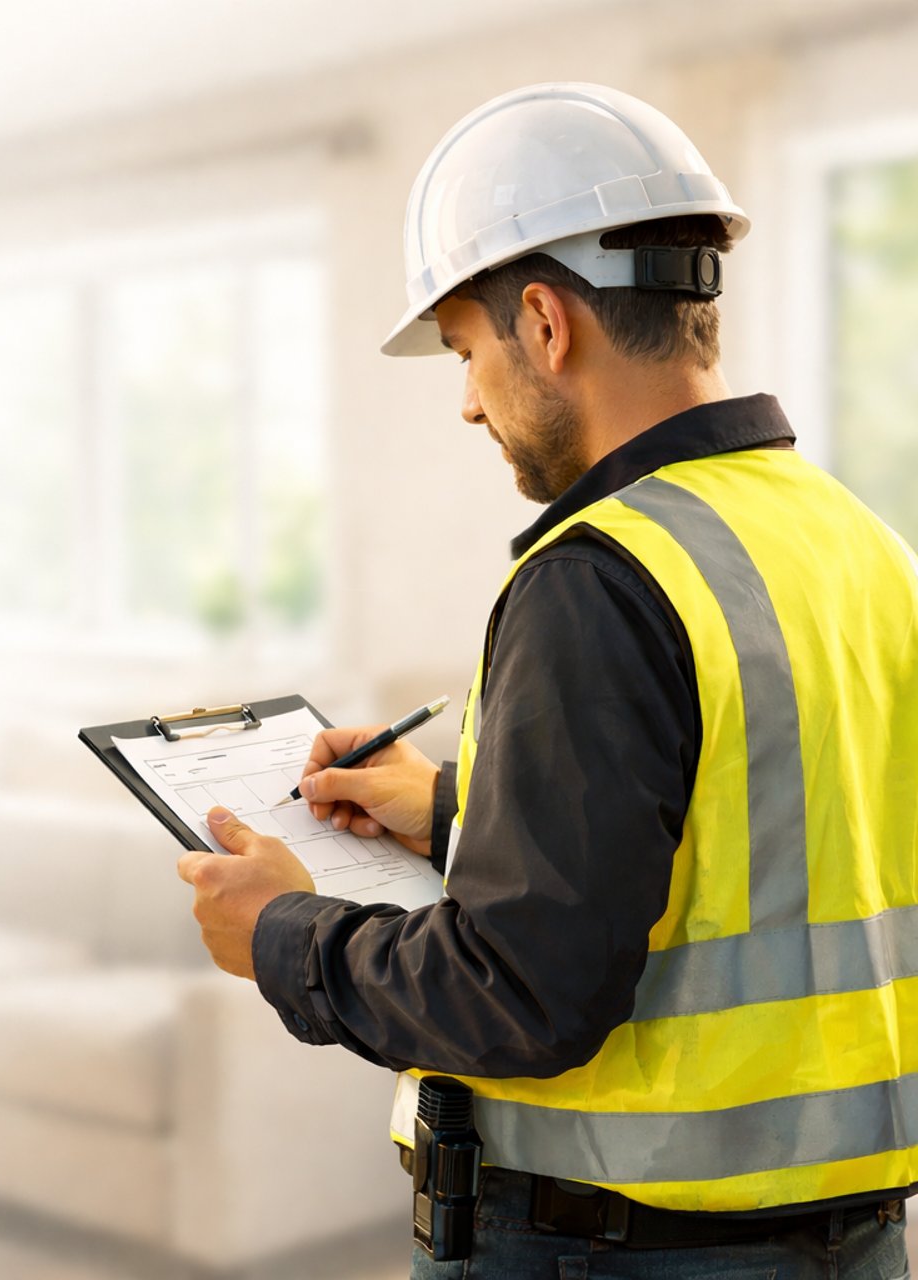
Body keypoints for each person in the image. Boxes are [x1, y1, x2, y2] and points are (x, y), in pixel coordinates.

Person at [177, 82, 918, 1278]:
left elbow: (523, 991)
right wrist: (460, 810)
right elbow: (769, 838)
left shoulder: (603, 573)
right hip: (856, 1244)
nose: (469, 399)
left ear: (544, 321)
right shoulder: (861, 542)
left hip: (615, 1247)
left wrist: (282, 933)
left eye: (467, 350)